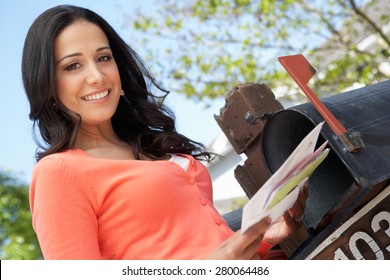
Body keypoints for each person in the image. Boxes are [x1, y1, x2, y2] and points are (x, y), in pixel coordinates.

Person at [22, 5, 307, 260]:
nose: (97, 75)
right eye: (73, 66)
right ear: (47, 83)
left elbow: (192, 246)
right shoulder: (59, 173)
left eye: (104, 57)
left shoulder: (151, 146)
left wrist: (263, 238)